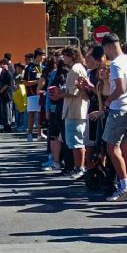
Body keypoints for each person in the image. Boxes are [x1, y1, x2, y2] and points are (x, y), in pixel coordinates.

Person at [101, 33, 127, 202]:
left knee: (112, 148)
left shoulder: (116, 63)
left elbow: (121, 88)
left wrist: (108, 100)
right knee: (125, 149)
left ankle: (125, 186)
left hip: (119, 109)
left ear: (109, 47)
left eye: (105, 51)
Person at [50, 46, 89, 179]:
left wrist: (59, 95)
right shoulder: (76, 69)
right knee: (73, 141)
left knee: (77, 141)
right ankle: (78, 167)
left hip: (75, 110)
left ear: (72, 56)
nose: (63, 58)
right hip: (73, 109)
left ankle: (80, 168)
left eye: (66, 55)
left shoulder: (75, 69)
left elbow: (73, 92)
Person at [24, 48, 46, 142]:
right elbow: (26, 82)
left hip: (41, 94)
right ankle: (29, 134)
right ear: (37, 55)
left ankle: (40, 134)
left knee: (40, 114)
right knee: (32, 114)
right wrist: (38, 82)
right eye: (42, 55)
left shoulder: (44, 68)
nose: (43, 57)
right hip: (32, 94)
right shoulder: (29, 68)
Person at [0, 58, 15, 132]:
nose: (2, 66)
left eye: (3, 64)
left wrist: (0, 92)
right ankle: (4, 126)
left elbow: (7, 85)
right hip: (2, 95)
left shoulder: (9, 74)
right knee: (3, 112)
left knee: (8, 111)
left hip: (7, 95)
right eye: (1, 64)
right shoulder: (2, 73)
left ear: (7, 65)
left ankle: (8, 126)